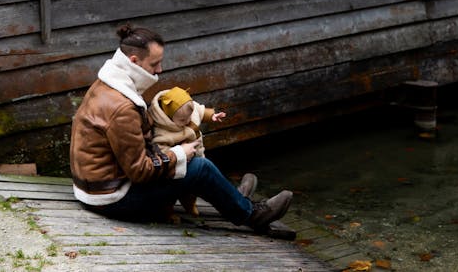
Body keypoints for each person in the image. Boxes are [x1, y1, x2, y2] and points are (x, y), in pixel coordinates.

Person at [69, 24, 292, 233]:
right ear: (134, 61)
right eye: (155, 64)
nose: (160, 69)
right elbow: (140, 171)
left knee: (189, 159)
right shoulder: (122, 108)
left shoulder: (106, 84)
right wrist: (178, 154)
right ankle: (251, 214)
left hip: (95, 189)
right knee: (199, 167)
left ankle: (233, 198)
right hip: (113, 199)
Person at [148, 85, 225, 218]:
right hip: (177, 166)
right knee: (172, 191)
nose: (188, 121)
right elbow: (162, 151)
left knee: (192, 190)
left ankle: (190, 204)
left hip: (197, 155)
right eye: (183, 120)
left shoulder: (188, 111)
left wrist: (211, 115)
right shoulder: (163, 130)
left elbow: (200, 111)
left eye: (189, 117)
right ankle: (167, 210)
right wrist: (179, 152)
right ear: (168, 117)